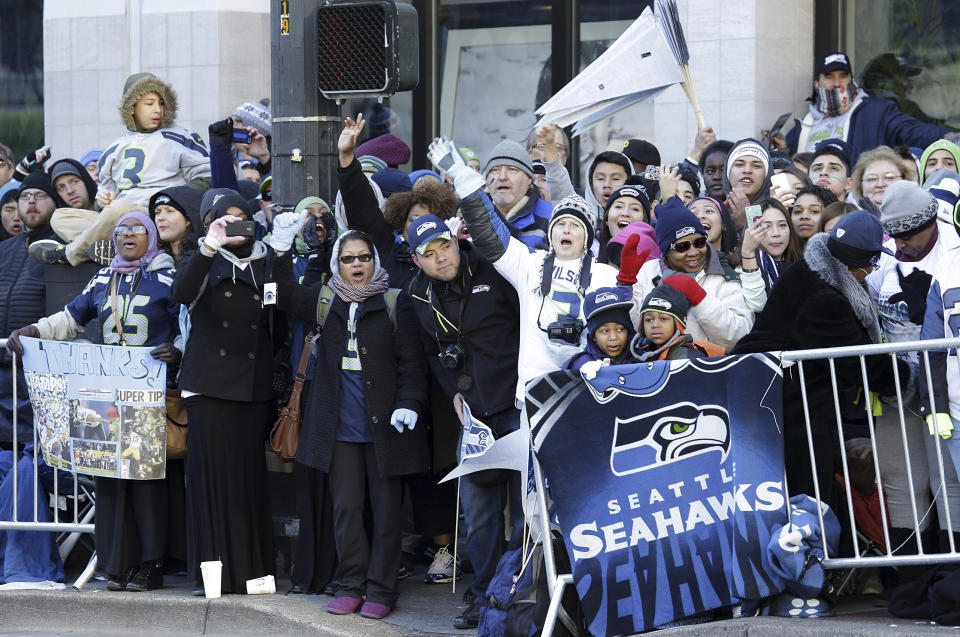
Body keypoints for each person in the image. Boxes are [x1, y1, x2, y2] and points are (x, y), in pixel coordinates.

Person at [7, 211, 183, 592]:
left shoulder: (166, 277)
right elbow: (71, 317)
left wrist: (179, 350)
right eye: (121, 232)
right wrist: (31, 330)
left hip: (147, 395)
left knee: (145, 479)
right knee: (110, 480)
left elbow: (187, 322)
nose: (129, 237)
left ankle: (151, 564)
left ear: (151, 237)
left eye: (137, 230)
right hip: (106, 395)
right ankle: (117, 564)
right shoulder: (104, 277)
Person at [268, 220, 428, 621]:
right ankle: (351, 583)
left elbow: (412, 362)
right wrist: (282, 247)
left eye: (364, 258)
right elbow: (285, 292)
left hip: (385, 428)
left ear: (375, 260)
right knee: (346, 509)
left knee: (388, 511)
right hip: (337, 427)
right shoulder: (325, 300)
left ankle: (382, 588)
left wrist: (410, 402)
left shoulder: (394, 300)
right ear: (337, 265)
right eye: (348, 259)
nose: (357, 265)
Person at [733, 211, 911, 552]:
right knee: (803, 492)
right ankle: (801, 574)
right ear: (858, 262)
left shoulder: (809, 269)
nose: (874, 271)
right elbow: (860, 364)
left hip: (781, 398)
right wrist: (910, 379)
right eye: (872, 262)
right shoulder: (825, 299)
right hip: (783, 407)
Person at [402, 213, 523, 628]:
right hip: (473, 414)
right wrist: (452, 388)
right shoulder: (415, 294)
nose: (441, 259)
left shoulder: (493, 266)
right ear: (416, 261)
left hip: (519, 404)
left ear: (456, 240)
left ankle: (522, 591)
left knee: (528, 511)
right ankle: (486, 595)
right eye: (429, 255)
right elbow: (430, 352)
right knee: (479, 513)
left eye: (445, 247)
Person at [429, 138, 619, 403]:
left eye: (575, 225)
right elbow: (489, 231)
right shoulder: (530, 263)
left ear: (587, 236)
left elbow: (622, 333)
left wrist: (597, 360)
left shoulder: (605, 275)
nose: (566, 229)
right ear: (550, 232)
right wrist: (462, 176)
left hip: (590, 383)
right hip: (536, 389)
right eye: (560, 224)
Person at [169, 191, 278, 596]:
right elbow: (180, 293)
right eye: (224, 219)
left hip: (252, 386)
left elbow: (280, 316)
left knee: (247, 480)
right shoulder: (201, 256)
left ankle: (253, 574)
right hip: (210, 384)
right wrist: (210, 244)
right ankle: (211, 578)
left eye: (241, 218)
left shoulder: (267, 259)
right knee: (210, 483)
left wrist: (282, 253)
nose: (234, 226)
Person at [868, 180, 960, 562]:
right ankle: (915, 581)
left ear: (930, 222)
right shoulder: (885, 255)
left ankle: (951, 573)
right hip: (898, 390)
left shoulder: (953, 247)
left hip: (944, 387)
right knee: (904, 480)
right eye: (895, 234)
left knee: (947, 480)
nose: (902, 242)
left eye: (909, 234)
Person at [622, 199, 753, 352]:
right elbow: (631, 330)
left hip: (706, 369)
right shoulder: (649, 271)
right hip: (655, 369)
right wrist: (625, 286)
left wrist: (699, 298)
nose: (693, 252)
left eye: (699, 242)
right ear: (665, 252)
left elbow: (741, 336)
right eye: (682, 247)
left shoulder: (722, 273)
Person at [783, 51, 958, 164]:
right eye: (829, 77)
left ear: (851, 80)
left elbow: (915, 132)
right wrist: (781, 150)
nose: (837, 83)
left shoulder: (877, 113)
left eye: (843, 76)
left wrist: (952, 138)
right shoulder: (801, 129)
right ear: (816, 84)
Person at [0, 172, 67, 444]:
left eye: (40, 195)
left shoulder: (64, 247)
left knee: (34, 448)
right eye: (25, 196)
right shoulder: (5, 248)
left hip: (38, 368)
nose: (31, 202)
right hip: (3, 367)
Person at [630, 283, 725, 361]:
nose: (655, 325)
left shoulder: (690, 359)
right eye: (649, 320)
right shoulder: (640, 355)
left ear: (678, 324)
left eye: (663, 319)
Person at [738, 199, 803, 313]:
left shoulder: (803, 265)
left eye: (782, 225)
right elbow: (757, 305)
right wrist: (748, 253)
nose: (776, 233)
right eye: (767, 227)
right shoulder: (741, 268)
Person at [563, 286, 638, 370]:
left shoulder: (643, 360)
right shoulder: (580, 365)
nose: (613, 337)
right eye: (605, 331)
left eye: (620, 329)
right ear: (594, 336)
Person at [723, 138, 772, 230]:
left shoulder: (778, 212)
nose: (747, 170)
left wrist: (747, 220)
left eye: (756, 166)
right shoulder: (713, 211)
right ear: (728, 173)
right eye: (739, 165)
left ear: (766, 175)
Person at [851, 145, 917, 211]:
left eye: (889, 177)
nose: (880, 184)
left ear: (904, 180)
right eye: (872, 179)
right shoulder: (852, 219)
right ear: (860, 186)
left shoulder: (921, 216)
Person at [148, 186, 202, 266]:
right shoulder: (149, 260)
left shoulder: (206, 256)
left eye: (169, 211)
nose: (160, 218)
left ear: (188, 220)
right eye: (157, 212)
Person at [598, 185, 651, 262]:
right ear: (607, 220)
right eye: (618, 207)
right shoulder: (591, 261)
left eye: (635, 209)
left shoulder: (655, 265)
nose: (625, 213)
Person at [689, 196, 739, 262]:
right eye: (693, 214)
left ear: (723, 224)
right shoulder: (678, 268)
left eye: (709, 211)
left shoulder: (740, 266)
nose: (700, 216)